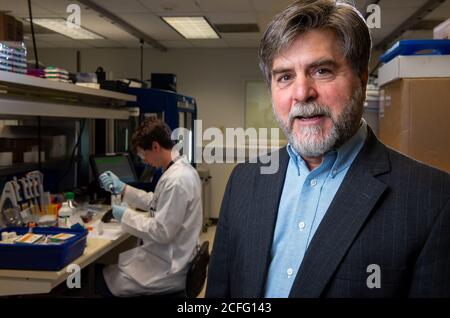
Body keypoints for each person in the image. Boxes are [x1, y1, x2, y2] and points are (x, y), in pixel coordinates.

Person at [206, 0, 450, 298]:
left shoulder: (434, 201)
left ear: (361, 77)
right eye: (284, 76)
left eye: (321, 70)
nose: (301, 93)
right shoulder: (244, 181)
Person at [97, 118, 202, 297]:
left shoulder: (177, 180)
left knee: (103, 281)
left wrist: (126, 215)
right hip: (168, 257)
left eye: (143, 155)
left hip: (169, 268)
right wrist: (124, 189)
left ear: (155, 146)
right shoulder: (178, 170)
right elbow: (157, 202)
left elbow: (162, 231)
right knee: (110, 269)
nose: (144, 161)